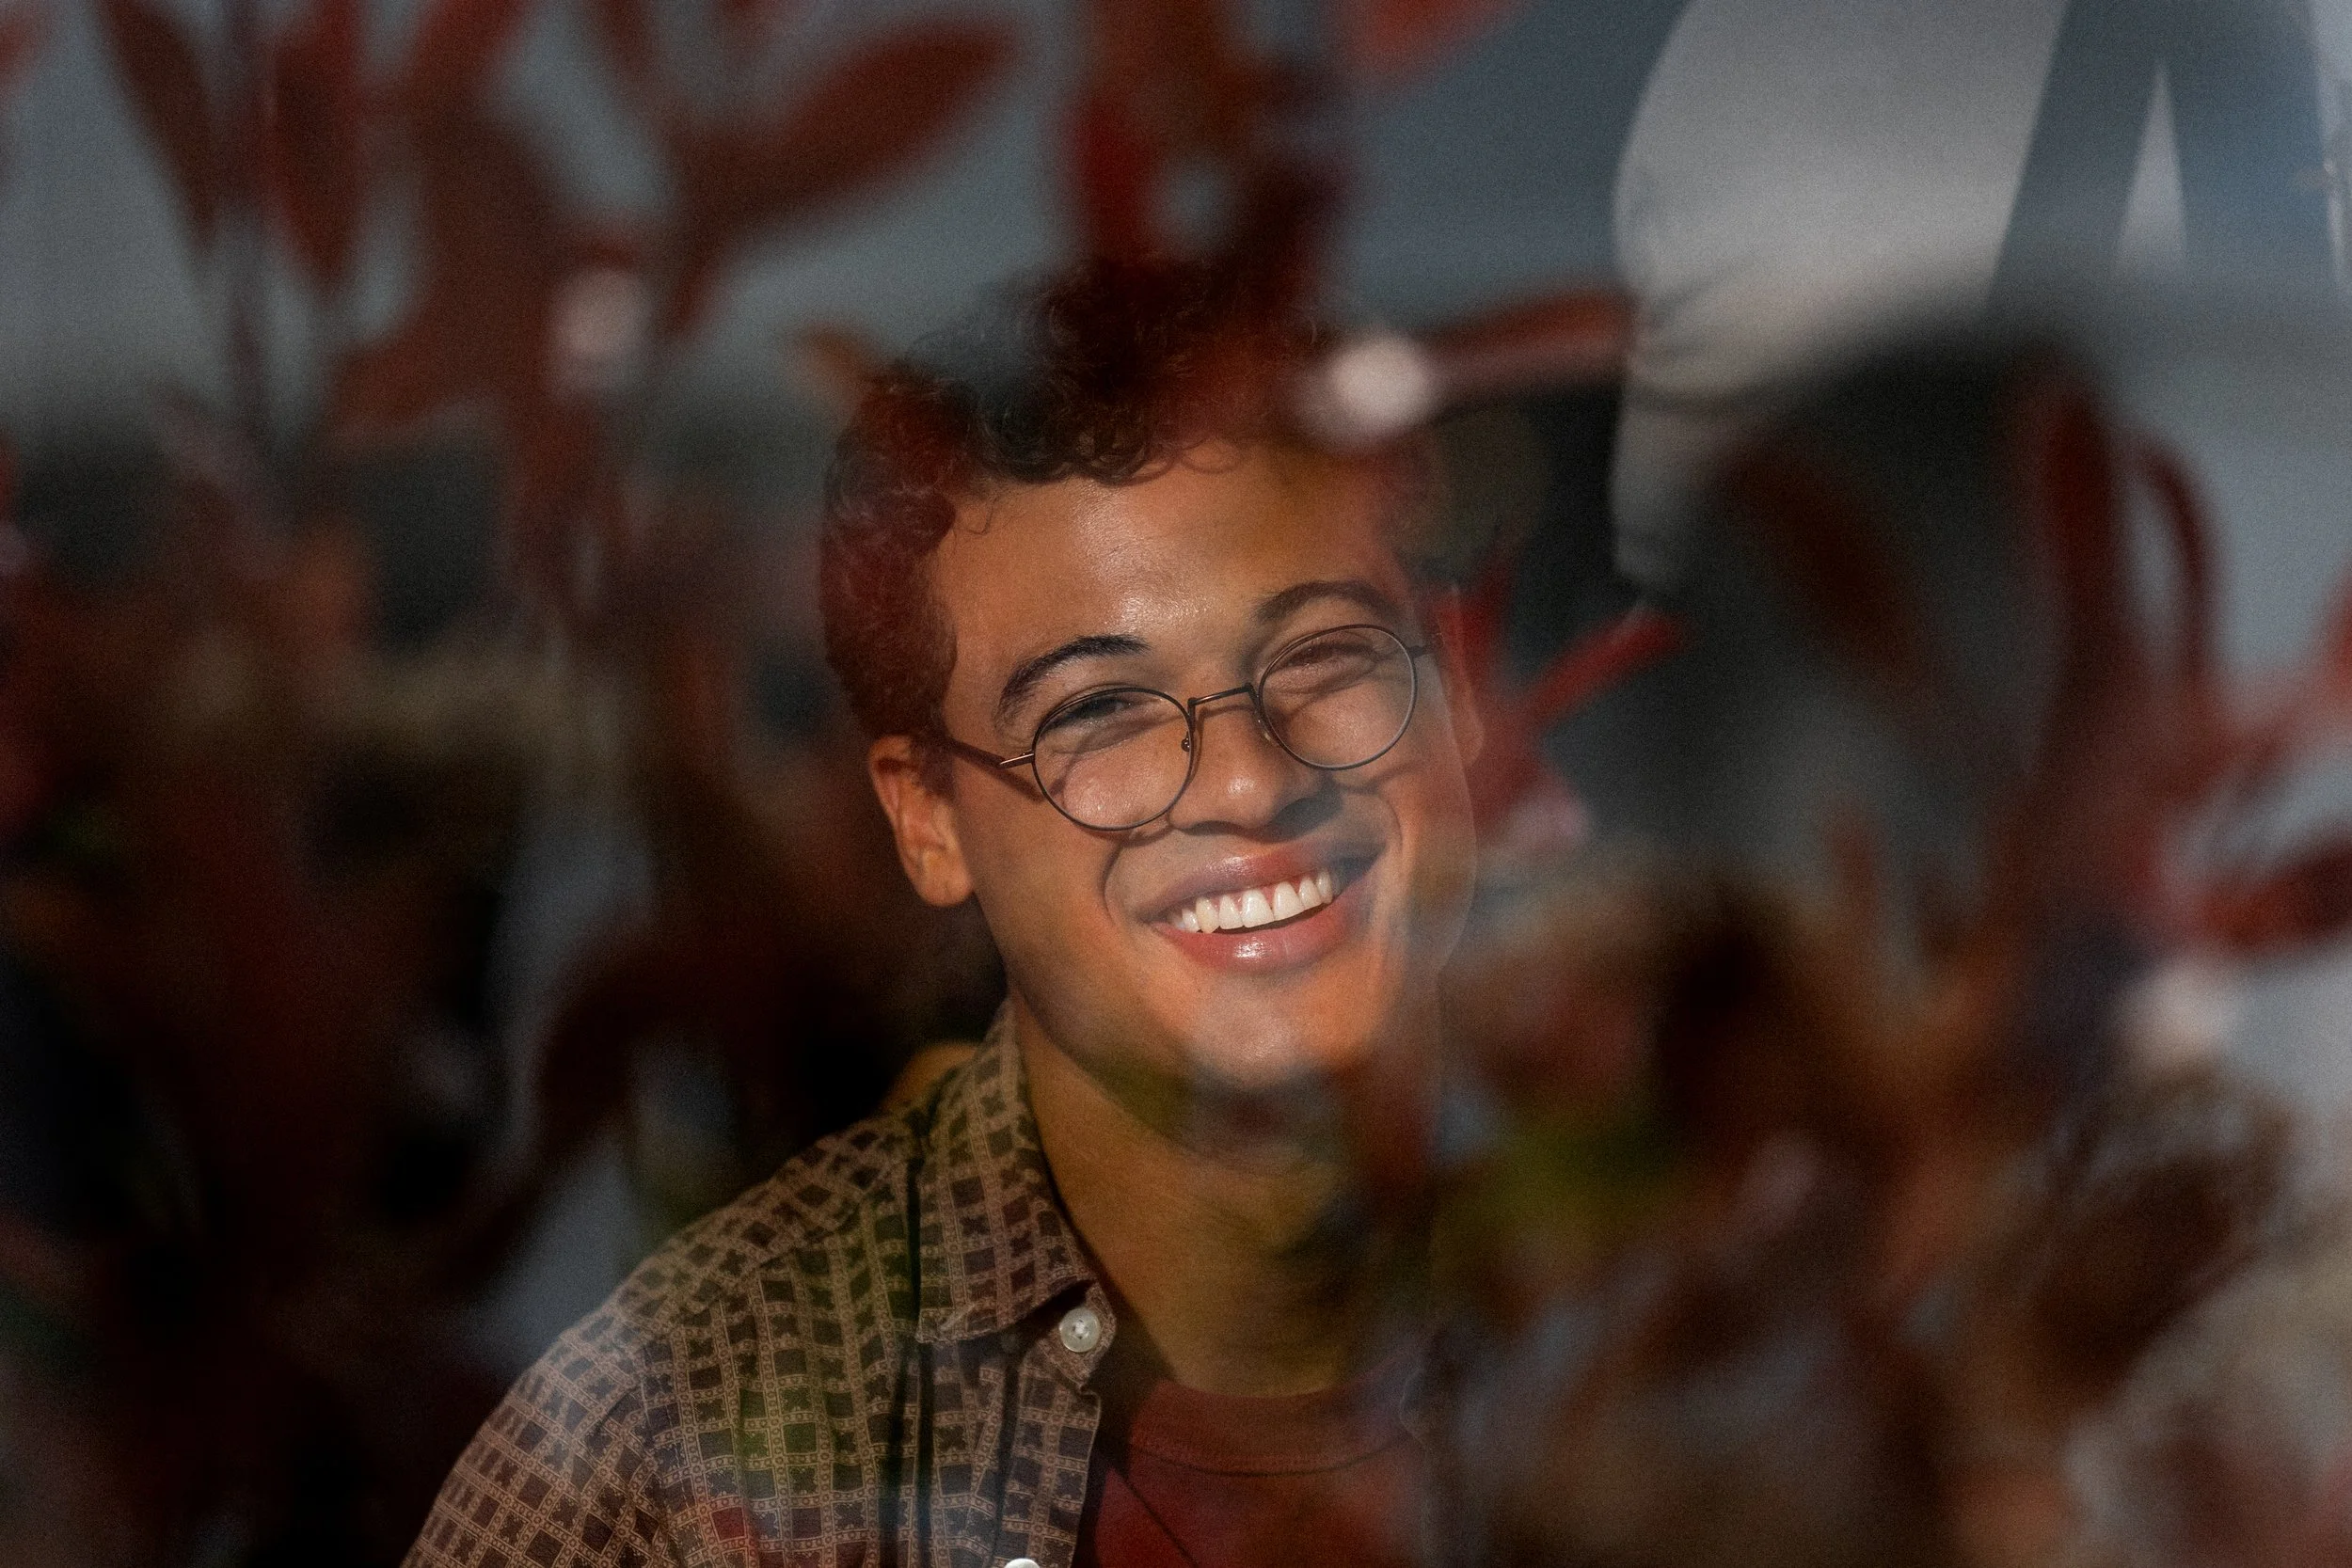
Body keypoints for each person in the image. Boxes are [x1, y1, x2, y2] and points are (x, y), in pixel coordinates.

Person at [400, 257, 1486, 1568]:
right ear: (927, 820)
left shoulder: (1705, 1286)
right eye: (1101, 714)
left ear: (1460, 696)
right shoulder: (664, 1465)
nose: (1253, 778)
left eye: (1327, 657)